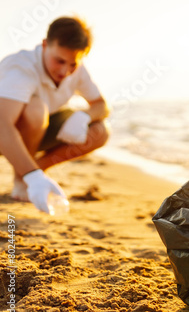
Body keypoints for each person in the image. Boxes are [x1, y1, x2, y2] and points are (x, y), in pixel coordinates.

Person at [0, 17, 110, 214]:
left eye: (72, 64)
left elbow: (101, 105)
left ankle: (36, 170)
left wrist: (85, 116)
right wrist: (31, 176)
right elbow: (3, 125)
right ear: (45, 45)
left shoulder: (76, 69)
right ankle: (25, 177)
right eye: (59, 61)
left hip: (38, 130)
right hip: (5, 132)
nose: (65, 70)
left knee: (99, 131)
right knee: (35, 108)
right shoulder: (21, 67)